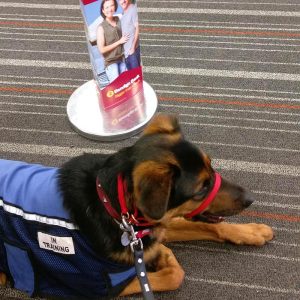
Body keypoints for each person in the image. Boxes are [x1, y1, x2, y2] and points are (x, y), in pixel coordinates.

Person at [97, 0, 129, 83]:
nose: (110, 9)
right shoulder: (101, 28)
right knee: (118, 87)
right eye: (106, 7)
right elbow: (102, 50)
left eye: (111, 6)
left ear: (115, 6)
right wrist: (119, 42)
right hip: (111, 63)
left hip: (123, 59)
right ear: (103, 11)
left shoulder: (119, 19)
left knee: (127, 85)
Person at [119, 0, 141, 70]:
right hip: (126, 55)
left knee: (138, 78)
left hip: (133, 52)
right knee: (133, 79)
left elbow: (138, 27)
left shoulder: (133, 9)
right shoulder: (122, 16)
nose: (123, 1)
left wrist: (133, 47)